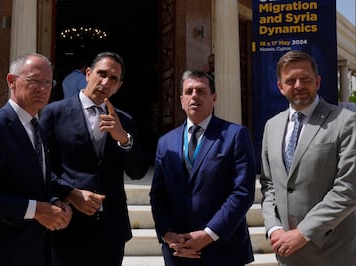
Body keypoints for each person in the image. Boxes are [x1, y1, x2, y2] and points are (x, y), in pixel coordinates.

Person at [0, 53, 72, 266]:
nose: (43, 88)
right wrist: (36, 210)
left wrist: (57, 200)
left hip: (33, 251)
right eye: (34, 80)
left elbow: (36, 180)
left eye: (48, 82)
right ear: (12, 81)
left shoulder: (39, 127)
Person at [40, 51, 149, 266]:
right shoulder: (54, 113)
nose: (106, 82)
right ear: (88, 74)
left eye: (114, 79)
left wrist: (123, 139)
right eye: (101, 73)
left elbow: (138, 172)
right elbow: (39, 166)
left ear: (119, 86)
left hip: (111, 230)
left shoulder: (124, 120)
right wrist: (69, 194)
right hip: (66, 222)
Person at [149, 70, 256, 265]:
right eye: (188, 92)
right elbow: (158, 194)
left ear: (214, 97)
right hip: (178, 250)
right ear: (181, 100)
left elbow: (242, 192)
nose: (194, 96)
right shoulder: (165, 142)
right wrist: (167, 233)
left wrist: (208, 235)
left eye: (201, 91)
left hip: (222, 249)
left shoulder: (235, 135)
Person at [260, 50, 356, 266]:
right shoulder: (271, 126)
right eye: (290, 80)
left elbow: (348, 188)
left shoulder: (346, 122)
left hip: (332, 253)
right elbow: (269, 185)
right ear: (280, 87)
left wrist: (303, 233)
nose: (298, 86)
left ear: (318, 82)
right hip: (287, 253)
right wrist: (274, 228)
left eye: (305, 79)